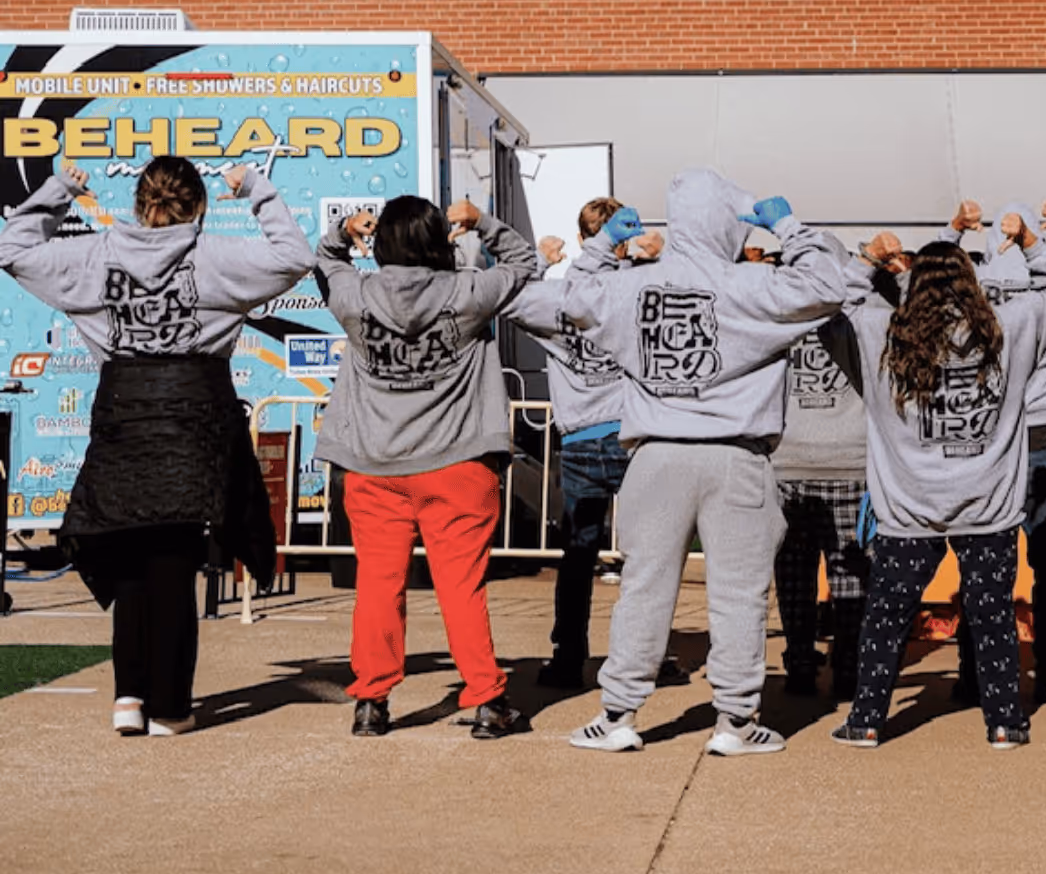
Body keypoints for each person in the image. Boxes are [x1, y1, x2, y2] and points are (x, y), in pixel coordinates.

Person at [0, 159, 312, 736]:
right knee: (174, 557)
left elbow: (12, 248)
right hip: (195, 419)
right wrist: (258, 190)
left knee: (128, 557)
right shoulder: (216, 255)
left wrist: (61, 189)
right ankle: (170, 706)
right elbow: (295, 257)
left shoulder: (94, 254)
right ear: (198, 205)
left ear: (140, 202)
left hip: (124, 416)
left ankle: (129, 697)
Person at [559, 171, 850, 756]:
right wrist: (787, 226)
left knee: (643, 585)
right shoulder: (752, 284)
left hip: (657, 454)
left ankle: (618, 712)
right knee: (740, 594)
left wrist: (598, 245)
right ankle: (735, 722)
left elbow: (572, 299)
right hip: (735, 454)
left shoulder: (633, 286)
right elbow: (829, 282)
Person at [831, 217, 1046, 749]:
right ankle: (1005, 721)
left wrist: (869, 258)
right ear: (972, 281)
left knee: (888, 616)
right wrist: (1033, 245)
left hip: (909, 504)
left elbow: (836, 304)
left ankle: (867, 718)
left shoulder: (882, 334)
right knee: (992, 619)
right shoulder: (1008, 330)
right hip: (987, 504)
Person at [315, 195, 542, 738]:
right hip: (457, 463)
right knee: (461, 588)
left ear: (385, 242)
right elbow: (525, 263)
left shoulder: (357, 296)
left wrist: (344, 231)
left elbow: (325, 263)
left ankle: (371, 700)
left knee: (377, 586)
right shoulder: (468, 291)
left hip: (374, 466)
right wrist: (481, 222)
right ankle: (487, 700)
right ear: (442, 240)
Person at [505, 197, 663, 688]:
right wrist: (650, 261)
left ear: (582, 241)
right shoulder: (637, 291)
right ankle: (643, 654)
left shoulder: (558, 299)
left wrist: (538, 263)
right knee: (647, 555)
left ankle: (569, 655)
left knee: (578, 556)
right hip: (636, 436)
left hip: (580, 441)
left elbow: (507, 301)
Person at [946, 198, 1046, 704]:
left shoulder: (973, 297)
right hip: (1043, 436)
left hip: (989, 437)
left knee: (982, 562)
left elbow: (932, 275)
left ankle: (973, 674)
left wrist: (955, 228)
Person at [771, 311, 872, 699]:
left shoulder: (779, 314)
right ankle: (848, 669)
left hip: (789, 456)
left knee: (794, 575)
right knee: (849, 575)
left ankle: (799, 664)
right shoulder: (859, 317)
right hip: (848, 457)